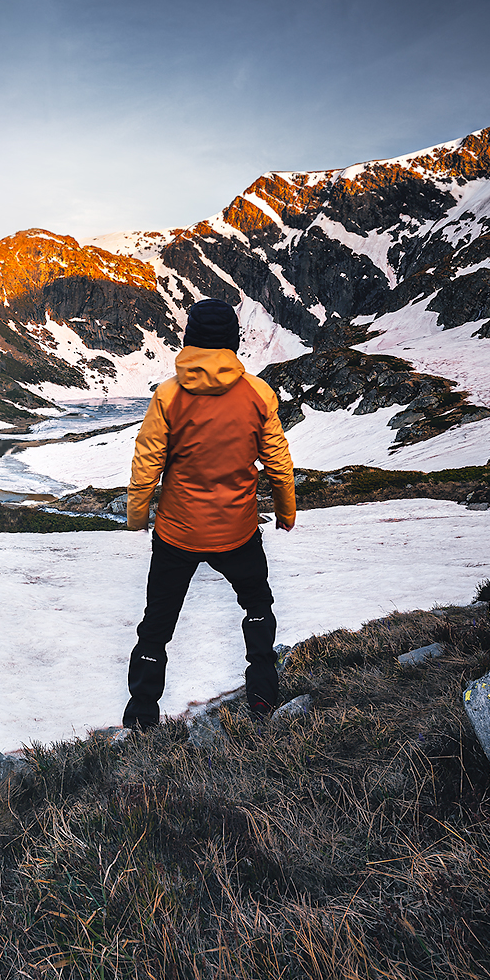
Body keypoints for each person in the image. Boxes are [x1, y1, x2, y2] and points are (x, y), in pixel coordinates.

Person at [121, 297, 296, 730]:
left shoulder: (168, 395)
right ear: (232, 341)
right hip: (237, 531)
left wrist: (137, 518)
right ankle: (262, 697)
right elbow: (277, 460)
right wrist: (286, 511)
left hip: (177, 533)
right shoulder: (257, 394)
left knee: (156, 626)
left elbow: (147, 465)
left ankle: (141, 717)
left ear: (191, 340)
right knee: (257, 605)